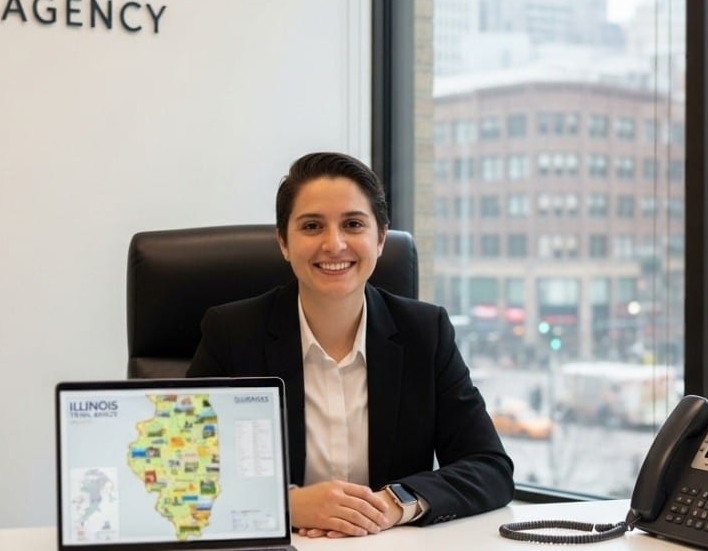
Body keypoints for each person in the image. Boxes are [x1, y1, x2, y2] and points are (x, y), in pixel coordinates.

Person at [187, 152, 514, 538]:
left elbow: (489, 467)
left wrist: (396, 502)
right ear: (283, 242)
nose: (334, 244)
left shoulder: (425, 332)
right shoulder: (232, 332)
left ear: (379, 239)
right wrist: (286, 503)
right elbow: (185, 470)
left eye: (353, 224)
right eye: (311, 226)